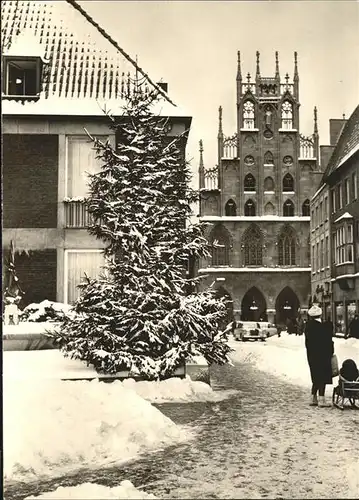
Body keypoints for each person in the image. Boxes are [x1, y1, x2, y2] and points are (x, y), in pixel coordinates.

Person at [305, 304, 334, 407]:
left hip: (312, 356)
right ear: (320, 315)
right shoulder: (323, 327)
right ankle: (321, 399)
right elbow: (328, 341)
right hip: (323, 355)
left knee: (315, 375)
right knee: (323, 376)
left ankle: (313, 398)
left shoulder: (308, 326)